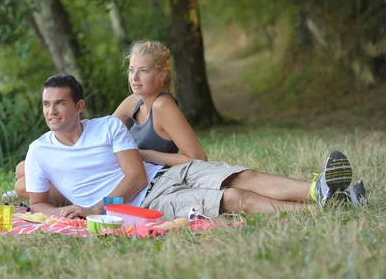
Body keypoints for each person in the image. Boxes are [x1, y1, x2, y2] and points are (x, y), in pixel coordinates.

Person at [21, 73, 363, 219]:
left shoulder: (108, 127)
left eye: (59, 103)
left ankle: (319, 189)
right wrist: (62, 212)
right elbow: (36, 202)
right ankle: (325, 208)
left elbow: (136, 177)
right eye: (47, 104)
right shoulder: (39, 150)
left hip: (162, 176)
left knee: (240, 176)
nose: (51, 111)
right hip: (143, 204)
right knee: (231, 199)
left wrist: (95, 207)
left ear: (79, 106)